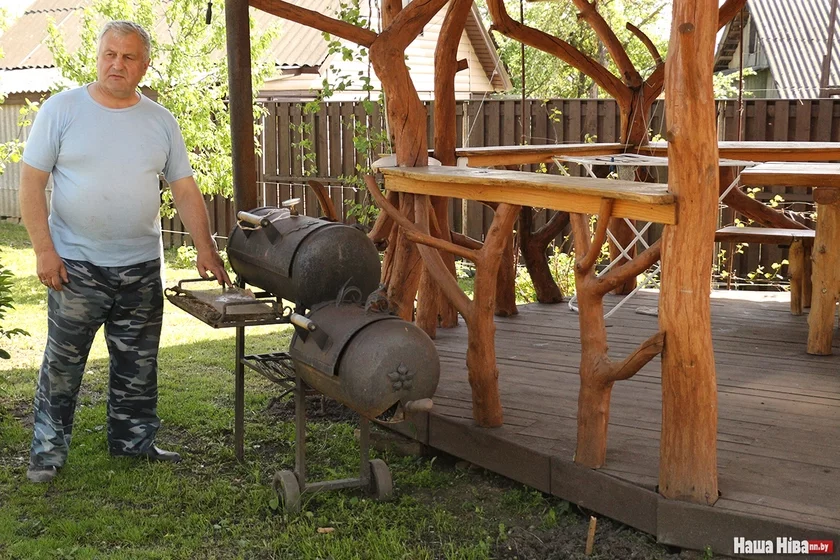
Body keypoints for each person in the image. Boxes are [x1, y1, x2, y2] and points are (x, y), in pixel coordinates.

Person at [19, 20, 231, 483]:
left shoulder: (161, 120)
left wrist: (205, 247)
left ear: (144, 65)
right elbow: (31, 184)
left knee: (138, 364)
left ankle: (133, 443)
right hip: (75, 266)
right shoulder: (61, 110)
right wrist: (43, 251)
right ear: (98, 58)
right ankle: (47, 454)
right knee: (62, 366)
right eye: (109, 54)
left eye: (128, 57)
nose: (117, 64)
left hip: (140, 267)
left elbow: (184, 187)